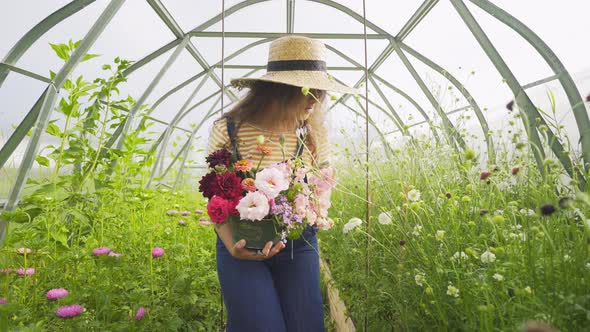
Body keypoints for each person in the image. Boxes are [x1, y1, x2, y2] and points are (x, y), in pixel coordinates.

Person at [205, 35, 358, 332]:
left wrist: (314, 205)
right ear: (281, 91)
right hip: (242, 243)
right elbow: (214, 194)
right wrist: (231, 245)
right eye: (310, 91)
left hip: (298, 246)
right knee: (261, 325)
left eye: (320, 92)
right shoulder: (229, 129)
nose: (317, 100)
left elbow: (323, 185)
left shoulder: (312, 133)